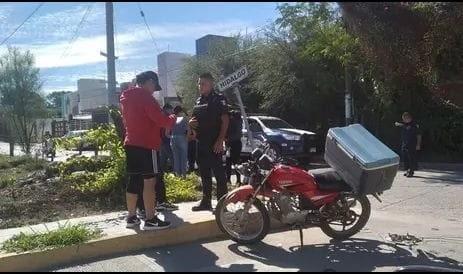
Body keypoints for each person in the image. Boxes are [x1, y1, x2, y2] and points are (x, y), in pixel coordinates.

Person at [120, 70, 176, 230]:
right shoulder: (146, 97)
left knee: (133, 180)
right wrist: (172, 117)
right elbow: (161, 120)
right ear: (150, 81)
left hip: (131, 143)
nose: (154, 90)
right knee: (149, 182)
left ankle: (131, 217)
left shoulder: (125, 97)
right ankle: (151, 219)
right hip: (147, 145)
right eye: (154, 86)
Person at [189, 73, 230, 212]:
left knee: (219, 174)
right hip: (201, 143)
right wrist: (191, 123)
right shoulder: (198, 101)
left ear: (211, 84)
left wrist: (220, 140)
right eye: (199, 83)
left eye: (203, 83)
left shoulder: (219, 99)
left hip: (215, 142)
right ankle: (206, 202)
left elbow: (225, 120)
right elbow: (194, 120)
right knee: (204, 173)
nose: (200, 86)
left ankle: (222, 204)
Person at [395, 112, 422, 177]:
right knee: (405, 158)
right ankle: (408, 170)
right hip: (405, 144)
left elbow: (419, 135)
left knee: (411, 158)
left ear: (408, 118)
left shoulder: (414, 125)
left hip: (412, 144)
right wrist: (399, 124)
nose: (403, 120)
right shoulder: (404, 124)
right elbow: (398, 124)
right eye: (403, 119)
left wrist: (418, 144)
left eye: (404, 118)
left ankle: (411, 171)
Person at [171, 106, 189, 177]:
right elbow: (188, 130)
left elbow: (167, 132)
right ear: (180, 112)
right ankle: (183, 175)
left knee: (176, 158)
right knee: (183, 158)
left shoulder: (171, 119)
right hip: (182, 137)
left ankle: (178, 175)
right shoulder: (184, 119)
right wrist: (187, 138)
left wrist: (172, 137)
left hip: (173, 138)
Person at [226, 109, 243, 186]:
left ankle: (228, 179)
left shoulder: (232, 122)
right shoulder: (240, 121)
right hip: (238, 143)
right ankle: (238, 180)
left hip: (230, 143)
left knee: (228, 162)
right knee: (236, 162)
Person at [160, 104, 174, 173]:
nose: (172, 111)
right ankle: (177, 174)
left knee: (163, 159)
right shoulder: (167, 117)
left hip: (161, 140)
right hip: (166, 140)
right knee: (172, 157)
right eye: (171, 109)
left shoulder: (160, 115)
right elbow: (167, 132)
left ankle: (162, 175)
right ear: (167, 109)